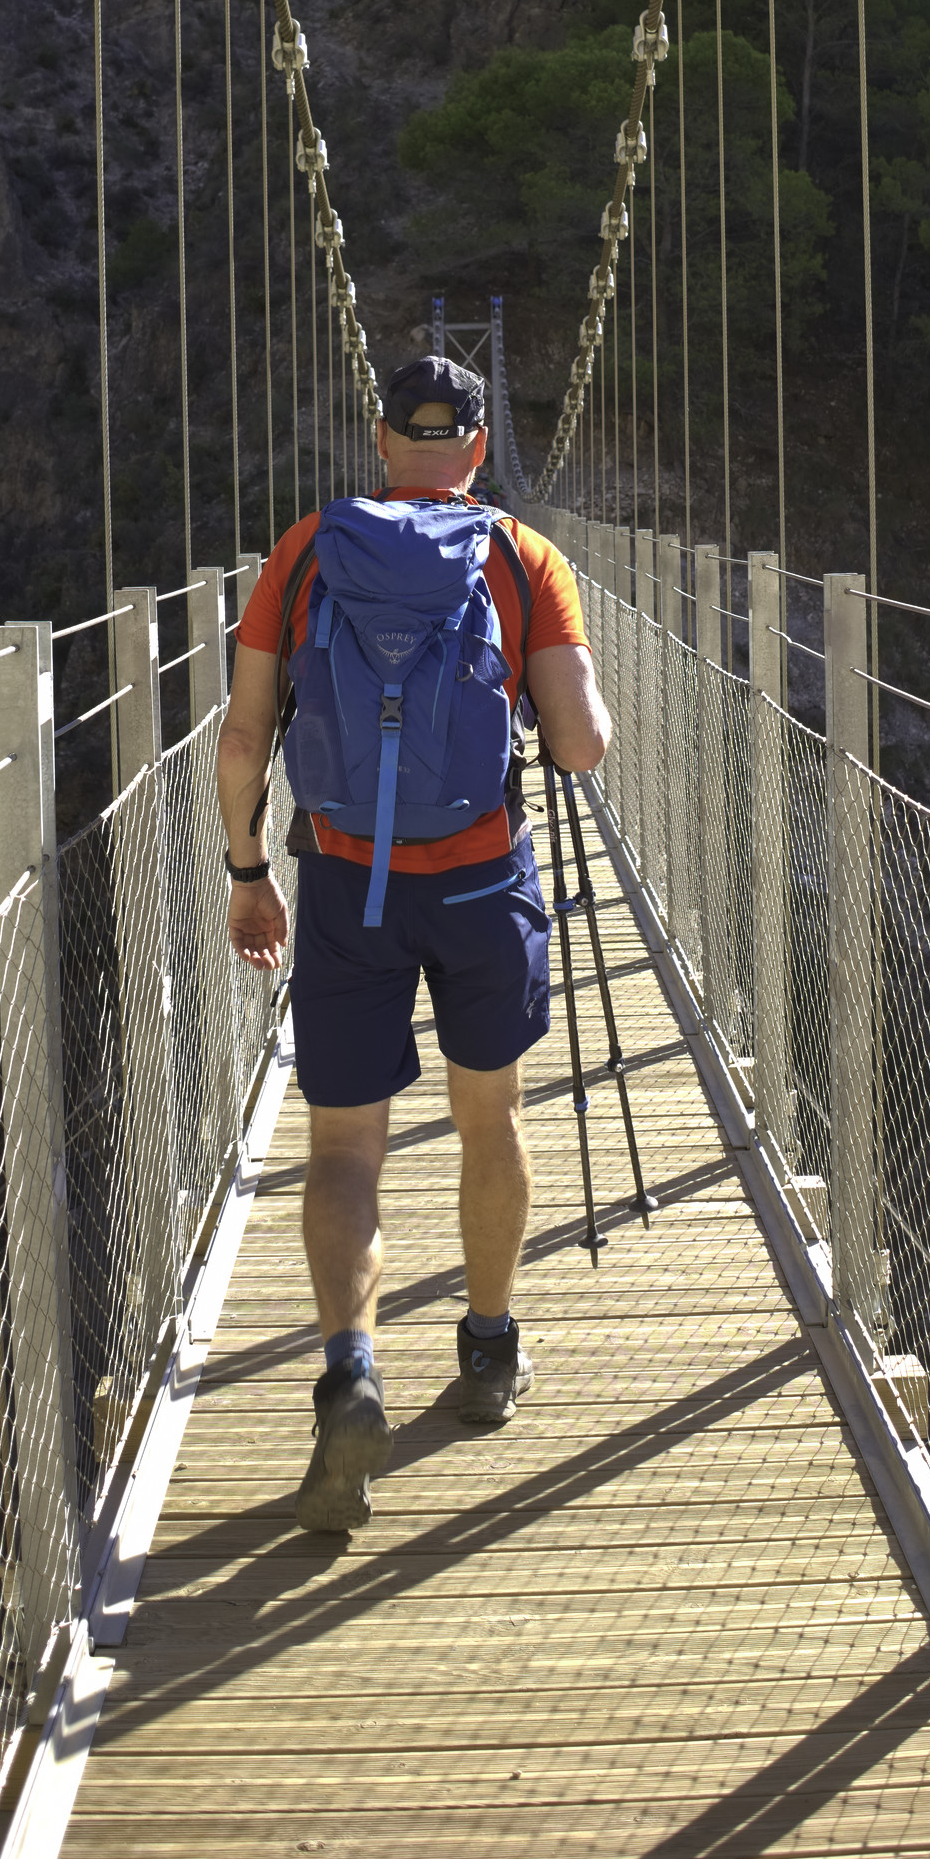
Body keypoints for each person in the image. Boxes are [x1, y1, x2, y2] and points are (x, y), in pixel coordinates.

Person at [217, 353, 611, 1532]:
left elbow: (243, 741)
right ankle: (488, 1351)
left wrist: (247, 874)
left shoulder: (304, 551)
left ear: (382, 441)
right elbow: (582, 745)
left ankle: (349, 1369)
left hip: (344, 885)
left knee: (343, 1145)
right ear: (479, 451)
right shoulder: (520, 555)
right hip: (483, 876)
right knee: (490, 1113)